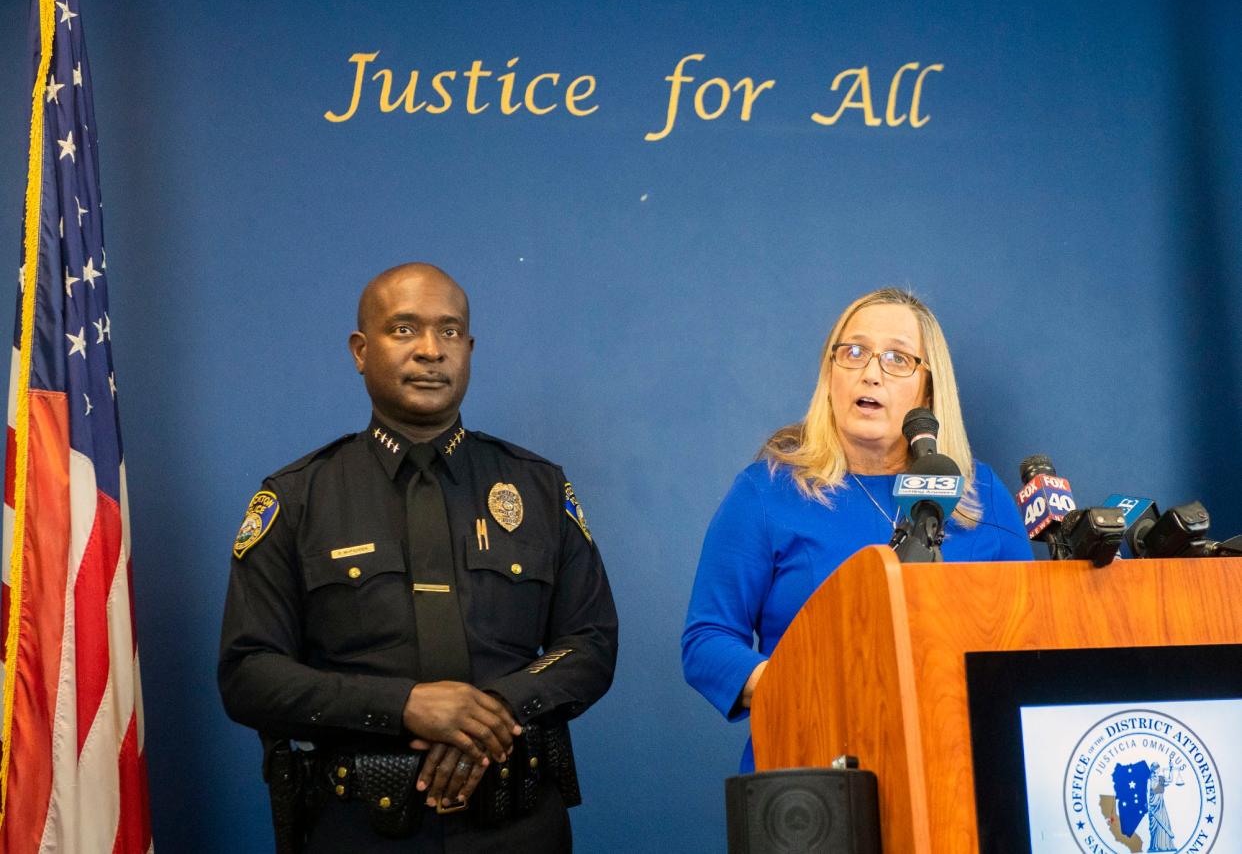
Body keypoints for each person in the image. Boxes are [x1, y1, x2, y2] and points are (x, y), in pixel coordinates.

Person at [219, 263, 618, 852]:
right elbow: (249, 674)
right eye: (404, 330)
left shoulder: (537, 487)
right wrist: (402, 706)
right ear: (360, 350)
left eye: (450, 331)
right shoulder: (297, 498)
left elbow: (591, 644)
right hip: (361, 827)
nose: (431, 351)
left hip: (518, 824)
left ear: (470, 348)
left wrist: (493, 711)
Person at [681, 288, 1032, 772]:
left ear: (928, 392)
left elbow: (1028, 639)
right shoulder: (768, 491)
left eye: (896, 359)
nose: (871, 372)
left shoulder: (979, 494)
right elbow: (707, 641)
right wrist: (803, 690)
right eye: (853, 352)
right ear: (830, 376)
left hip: (954, 768)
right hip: (812, 770)